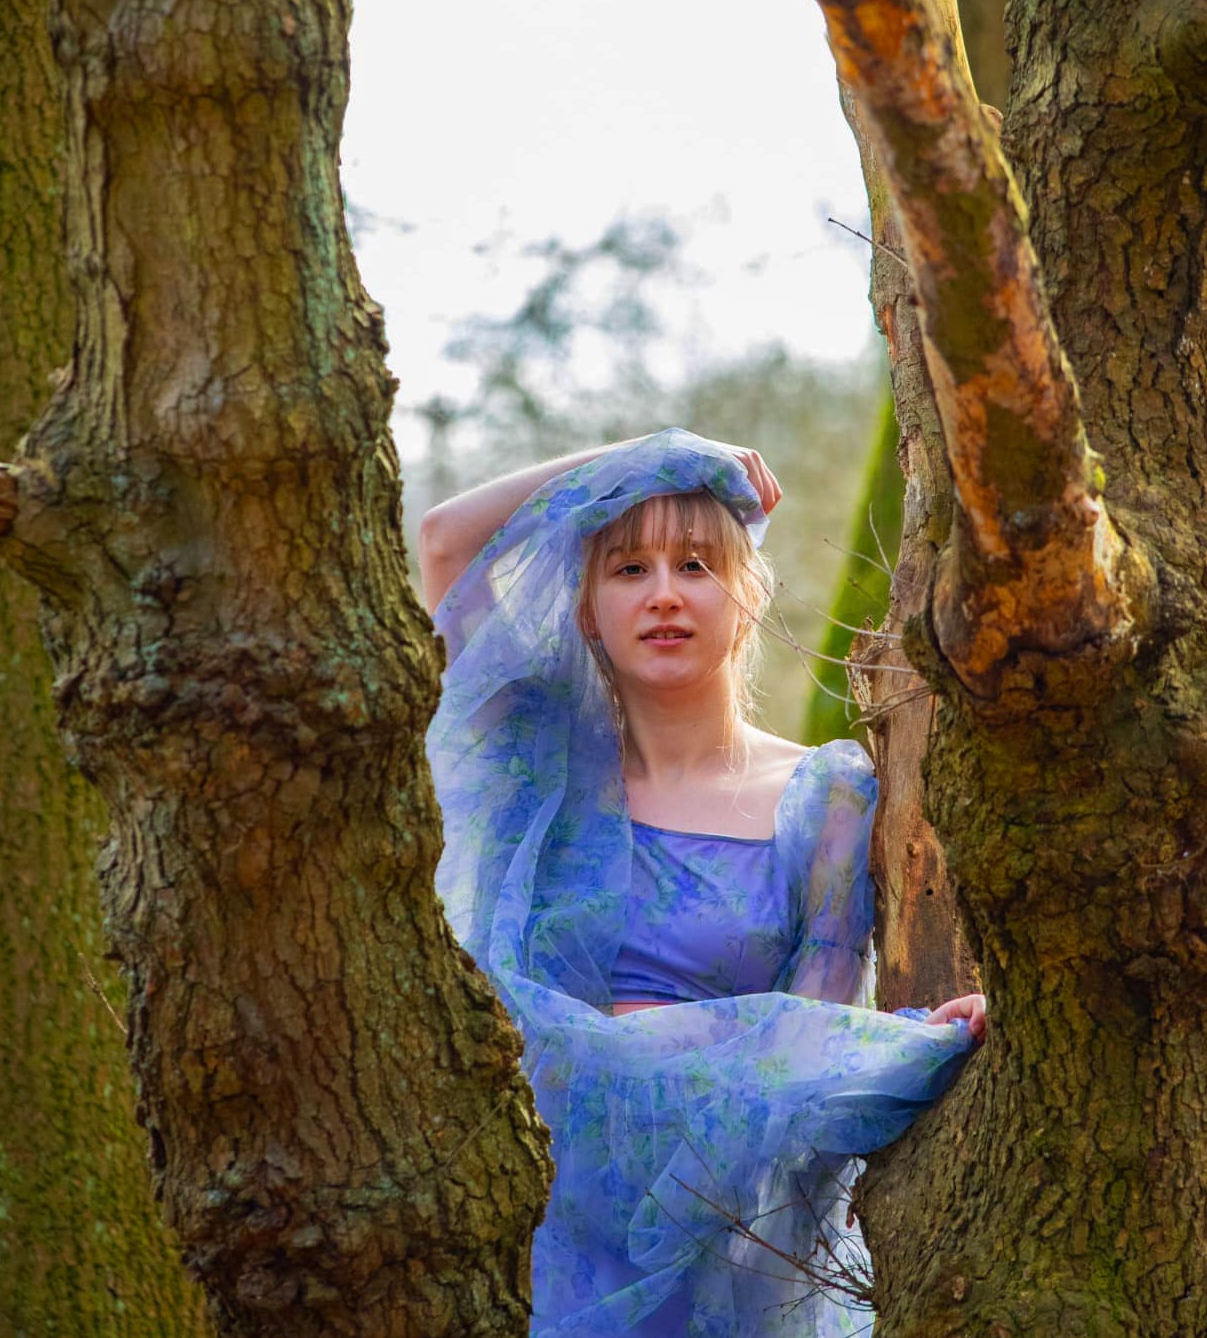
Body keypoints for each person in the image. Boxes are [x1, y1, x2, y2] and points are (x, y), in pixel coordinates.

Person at [420, 429, 984, 1338]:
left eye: (696, 564)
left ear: (747, 597)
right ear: (586, 611)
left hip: (720, 1237)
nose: (666, 594)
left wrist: (913, 1043)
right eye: (628, 569)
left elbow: (806, 1037)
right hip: (535, 1218)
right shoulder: (540, 765)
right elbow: (448, 540)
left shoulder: (828, 793)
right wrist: (653, 448)